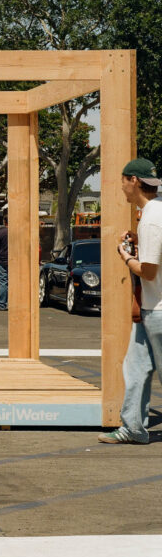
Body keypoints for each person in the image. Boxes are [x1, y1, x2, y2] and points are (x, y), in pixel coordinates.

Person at [101, 157, 162, 444]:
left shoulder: (150, 219)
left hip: (158, 312)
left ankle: (133, 428)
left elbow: (148, 272)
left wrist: (125, 256)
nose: (121, 188)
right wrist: (137, 244)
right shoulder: (153, 214)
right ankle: (133, 428)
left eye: (123, 181)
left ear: (133, 181)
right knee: (135, 367)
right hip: (150, 310)